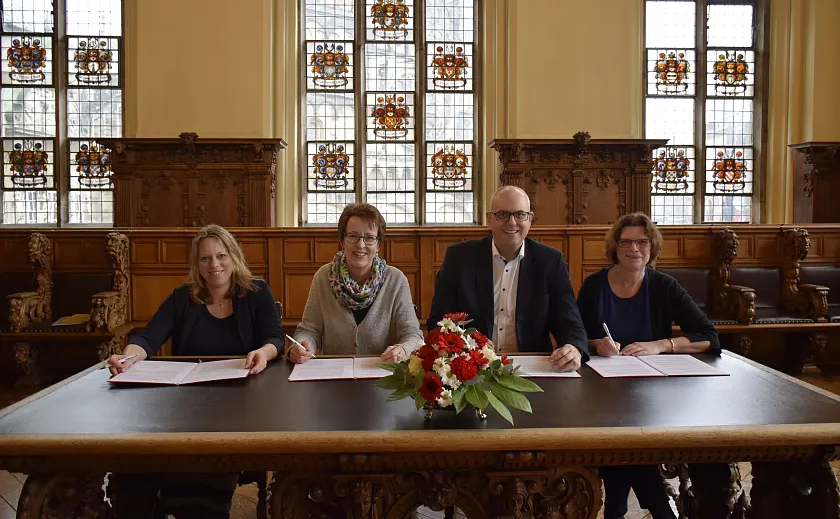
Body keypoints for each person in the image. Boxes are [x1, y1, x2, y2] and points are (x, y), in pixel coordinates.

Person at [106, 224, 283, 519]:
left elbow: (275, 338)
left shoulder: (256, 292)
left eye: (221, 255)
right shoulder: (183, 297)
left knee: (207, 469)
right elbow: (148, 339)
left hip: (241, 404)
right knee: (135, 469)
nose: (214, 264)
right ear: (197, 264)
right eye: (205, 258)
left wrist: (262, 353)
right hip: (186, 404)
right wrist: (128, 358)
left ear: (234, 257)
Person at [576, 212, 720, 519]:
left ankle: (617, 508)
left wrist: (661, 345)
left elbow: (708, 337)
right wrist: (595, 344)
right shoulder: (593, 286)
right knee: (627, 442)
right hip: (602, 393)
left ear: (652, 247)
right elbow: (574, 337)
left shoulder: (664, 286)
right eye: (626, 242)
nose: (634, 249)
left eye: (642, 242)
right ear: (615, 247)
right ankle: (656, 506)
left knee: (625, 449)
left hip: (653, 394)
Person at [427, 185, 589, 371]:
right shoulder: (459, 258)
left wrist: (574, 347)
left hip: (532, 367)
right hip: (473, 366)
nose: (512, 222)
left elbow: (568, 319)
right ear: (489, 220)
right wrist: (465, 343)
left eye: (520, 214)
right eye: (502, 214)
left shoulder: (550, 261)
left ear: (530, 219)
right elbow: (438, 320)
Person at [289, 203, 423, 363]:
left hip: (381, 376)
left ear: (378, 244)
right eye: (353, 236)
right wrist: (303, 346)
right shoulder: (323, 277)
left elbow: (413, 334)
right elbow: (309, 330)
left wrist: (402, 349)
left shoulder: (396, 280)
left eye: (369, 237)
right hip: (334, 377)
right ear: (342, 241)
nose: (360, 245)